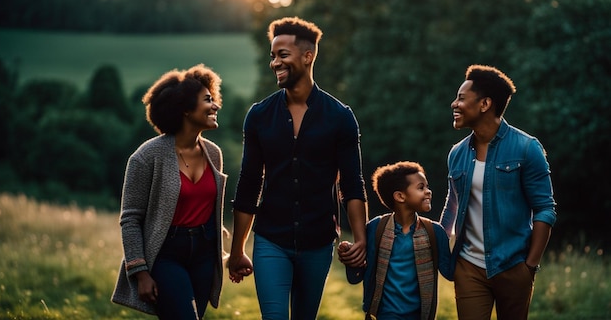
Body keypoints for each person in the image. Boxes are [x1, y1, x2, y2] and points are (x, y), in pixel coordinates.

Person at [227, 16, 368, 320]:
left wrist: (361, 239)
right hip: (270, 240)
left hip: (318, 243)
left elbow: (352, 184)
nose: (274, 62)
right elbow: (249, 183)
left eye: (283, 55)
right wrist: (237, 249)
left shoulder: (340, 116)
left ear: (308, 56)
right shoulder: (259, 116)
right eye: (273, 55)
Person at [439, 64, 557, 319]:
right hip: (468, 267)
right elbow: (453, 204)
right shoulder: (457, 153)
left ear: (485, 104)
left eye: (461, 98)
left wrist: (530, 266)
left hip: (514, 265)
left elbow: (545, 208)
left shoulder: (527, 148)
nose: (454, 104)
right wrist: (441, 249)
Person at [111, 64, 228, 319]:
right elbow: (130, 218)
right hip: (166, 255)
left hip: (204, 256)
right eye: (208, 100)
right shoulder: (146, 157)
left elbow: (207, 208)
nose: (216, 105)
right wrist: (140, 272)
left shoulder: (214, 154)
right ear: (185, 109)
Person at [338, 161, 453, 320]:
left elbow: (451, 273)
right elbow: (355, 277)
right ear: (400, 196)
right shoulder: (375, 229)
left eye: (427, 186)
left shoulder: (435, 232)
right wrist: (350, 256)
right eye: (421, 187)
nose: (428, 192)